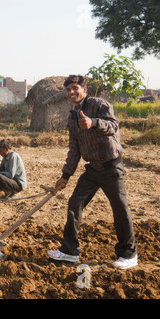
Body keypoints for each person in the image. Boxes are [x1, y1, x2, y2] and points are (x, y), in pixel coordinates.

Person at [47, 75, 137, 270]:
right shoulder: (72, 116)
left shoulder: (99, 105)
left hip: (111, 166)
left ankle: (129, 254)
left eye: (74, 88)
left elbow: (113, 126)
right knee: (75, 203)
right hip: (92, 170)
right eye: (68, 90)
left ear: (84, 90)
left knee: (120, 209)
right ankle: (70, 251)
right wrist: (65, 176)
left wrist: (93, 123)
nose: (71, 92)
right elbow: (74, 149)